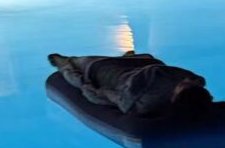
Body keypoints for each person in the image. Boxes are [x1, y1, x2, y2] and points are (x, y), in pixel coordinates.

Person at [48, 50, 214, 117]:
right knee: (149, 59)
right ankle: (128, 58)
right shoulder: (192, 81)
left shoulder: (139, 102)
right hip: (140, 66)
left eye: (186, 85)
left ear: (177, 96)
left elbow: (103, 95)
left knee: (79, 69)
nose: (187, 81)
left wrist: (93, 91)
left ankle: (63, 63)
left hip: (103, 70)